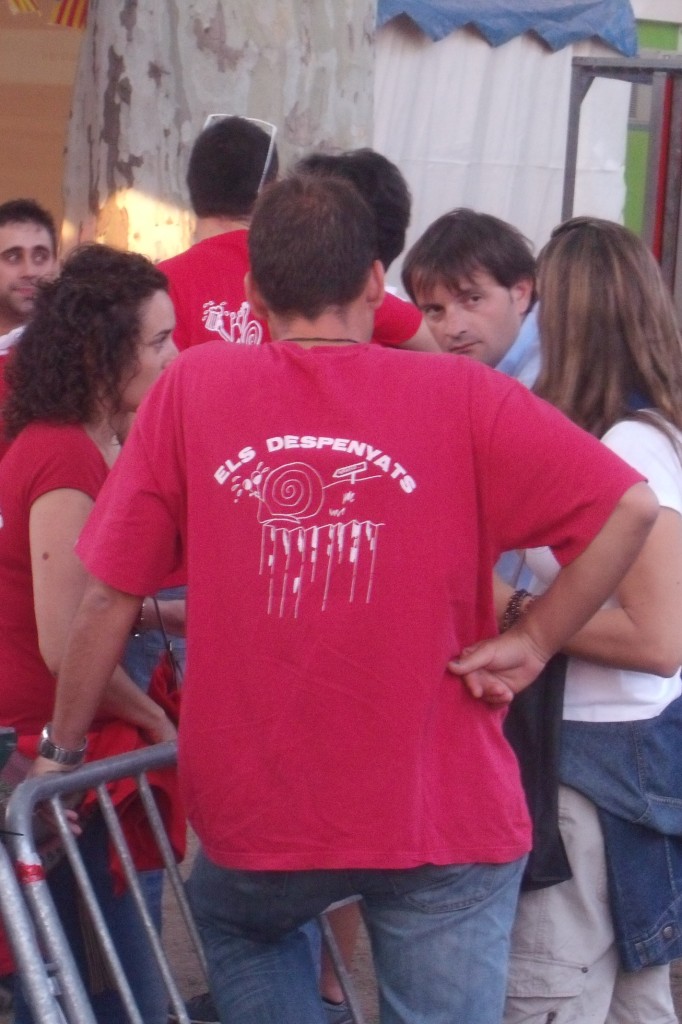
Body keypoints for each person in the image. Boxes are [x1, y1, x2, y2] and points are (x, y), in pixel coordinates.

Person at [35, 176, 657, 1024]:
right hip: (443, 815)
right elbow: (630, 508)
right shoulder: (464, 393)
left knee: (235, 919)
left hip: (262, 819)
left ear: (254, 295)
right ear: (374, 282)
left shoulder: (194, 387)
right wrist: (536, 639)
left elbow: (107, 597)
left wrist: (61, 752)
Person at [486, 217, 682, 1024]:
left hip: (598, 762)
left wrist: (514, 611)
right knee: (633, 995)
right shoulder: (636, 433)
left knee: (550, 990)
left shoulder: (633, 446)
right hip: (617, 757)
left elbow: (659, 639)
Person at [0, 243, 180, 1024]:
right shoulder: (65, 453)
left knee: (95, 980)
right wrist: (157, 722)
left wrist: (169, 614)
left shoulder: (87, 439)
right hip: (50, 750)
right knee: (105, 988)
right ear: (104, 353)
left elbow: (82, 604)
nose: (174, 357)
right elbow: (63, 642)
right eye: (159, 340)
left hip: (60, 748)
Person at [401, 207, 539, 385]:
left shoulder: (557, 375)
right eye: (434, 310)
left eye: (473, 299)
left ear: (521, 293)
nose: (454, 329)